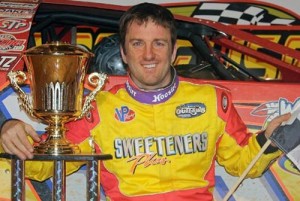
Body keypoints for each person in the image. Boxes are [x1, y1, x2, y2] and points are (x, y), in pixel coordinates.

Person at [0, 3, 291, 201]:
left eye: (159, 43)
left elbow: (243, 164)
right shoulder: (98, 108)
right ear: (124, 54)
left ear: (175, 51)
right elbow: (47, 166)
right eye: (138, 44)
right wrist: (7, 133)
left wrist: (272, 139)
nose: (149, 55)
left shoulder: (212, 100)